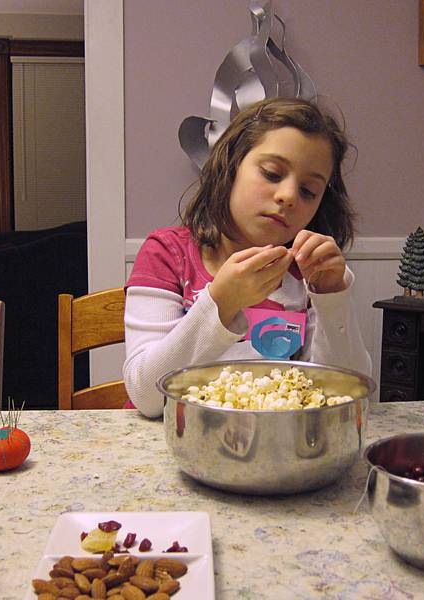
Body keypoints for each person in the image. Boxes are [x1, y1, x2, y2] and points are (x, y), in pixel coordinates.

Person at [123, 97, 372, 417]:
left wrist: (332, 297)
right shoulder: (168, 254)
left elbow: (350, 395)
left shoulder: (308, 273)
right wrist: (221, 302)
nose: (288, 196)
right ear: (230, 167)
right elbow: (147, 395)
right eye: (271, 173)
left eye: (308, 191)